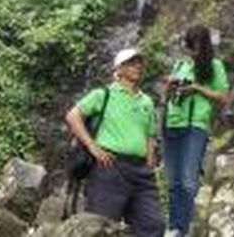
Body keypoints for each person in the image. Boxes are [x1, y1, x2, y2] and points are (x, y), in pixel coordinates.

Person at [65, 48, 164, 237]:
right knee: (100, 226)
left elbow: (150, 136)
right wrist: (93, 147)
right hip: (110, 167)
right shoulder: (103, 94)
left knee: (153, 225)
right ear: (119, 69)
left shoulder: (147, 102)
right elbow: (73, 116)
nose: (137, 66)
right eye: (131, 63)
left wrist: (149, 163)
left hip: (141, 173)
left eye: (139, 62)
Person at [163, 25, 229, 237]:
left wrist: (196, 88)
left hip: (195, 126)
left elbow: (223, 97)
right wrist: (171, 86)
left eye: (195, 47)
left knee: (188, 180)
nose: (192, 51)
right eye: (189, 47)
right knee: (173, 181)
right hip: (172, 124)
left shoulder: (214, 66)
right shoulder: (180, 64)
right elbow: (168, 97)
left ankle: (181, 230)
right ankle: (173, 227)